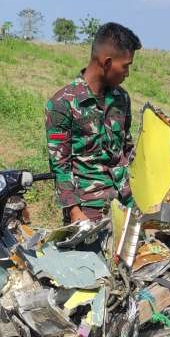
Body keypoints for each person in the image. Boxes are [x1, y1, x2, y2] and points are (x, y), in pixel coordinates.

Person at [45, 22, 140, 223]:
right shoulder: (62, 104)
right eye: (125, 66)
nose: (127, 74)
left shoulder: (121, 99)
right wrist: (75, 213)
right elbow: (60, 166)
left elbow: (127, 149)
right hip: (88, 211)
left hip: (126, 204)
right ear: (106, 63)